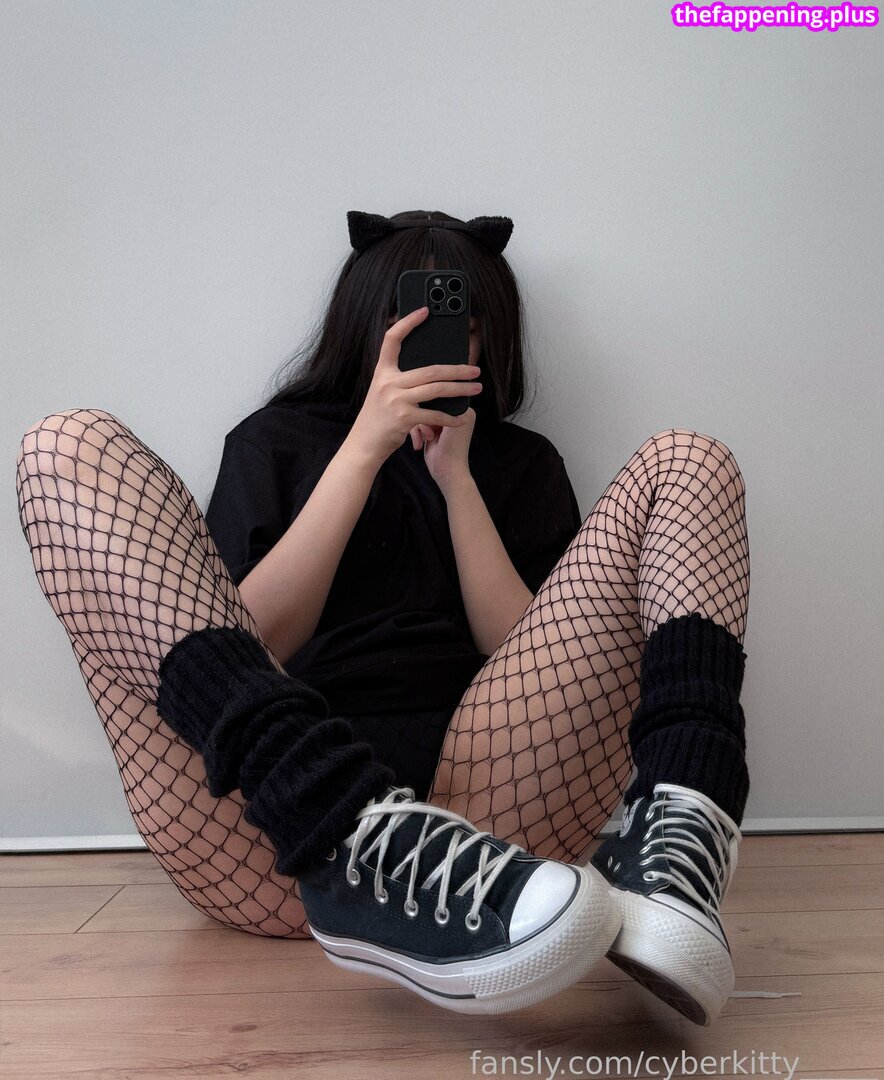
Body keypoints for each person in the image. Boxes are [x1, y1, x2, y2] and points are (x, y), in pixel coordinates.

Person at [15, 209, 751, 1025]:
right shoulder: (274, 442)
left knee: (692, 461)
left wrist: (457, 481)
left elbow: (541, 662)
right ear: (368, 322)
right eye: (415, 316)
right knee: (64, 445)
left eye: (465, 322)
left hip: (489, 832)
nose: (444, 342)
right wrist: (365, 447)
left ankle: (675, 853)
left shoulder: (521, 463)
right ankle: (358, 838)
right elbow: (240, 648)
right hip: (270, 833)